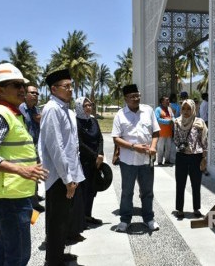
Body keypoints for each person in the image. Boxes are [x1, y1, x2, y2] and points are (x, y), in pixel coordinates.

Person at [0, 63, 48, 266]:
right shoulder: (0, 115)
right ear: (0, 90)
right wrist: (21, 169)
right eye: (16, 85)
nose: (22, 90)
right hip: (9, 199)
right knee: (19, 256)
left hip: (16, 195)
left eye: (23, 85)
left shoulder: (15, 114)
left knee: (9, 252)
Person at [38, 69, 85, 265]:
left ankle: (58, 253)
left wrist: (73, 175)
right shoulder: (52, 109)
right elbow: (55, 146)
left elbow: (71, 144)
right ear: (53, 89)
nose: (70, 90)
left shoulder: (66, 110)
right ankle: (53, 260)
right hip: (58, 177)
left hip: (69, 175)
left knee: (64, 220)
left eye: (71, 86)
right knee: (56, 221)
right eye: (66, 87)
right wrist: (67, 179)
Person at [111, 84, 160, 232]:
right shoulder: (120, 115)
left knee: (147, 191)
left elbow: (156, 132)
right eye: (132, 96)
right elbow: (116, 138)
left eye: (137, 95)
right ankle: (125, 220)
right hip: (128, 161)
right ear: (125, 98)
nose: (136, 98)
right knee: (127, 192)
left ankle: (148, 218)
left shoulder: (148, 111)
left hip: (146, 160)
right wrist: (133, 147)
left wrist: (153, 146)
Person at [173, 99, 208, 219]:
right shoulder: (177, 122)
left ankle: (196, 208)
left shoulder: (200, 122)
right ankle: (180, 209)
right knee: (180, 183)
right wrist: (182, 145)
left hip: (196, 157)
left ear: (193, 109)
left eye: (189, 108)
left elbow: (204, 141)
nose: (186, 111)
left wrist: (204, 156)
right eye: (184, 108)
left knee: (196, 184)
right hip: (181, 156)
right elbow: (175, 139)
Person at [75, 97, 104, 225]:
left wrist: (100, 154)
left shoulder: (93, 120)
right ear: (79, 107)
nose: (88, 107)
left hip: (96, 161)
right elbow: (79, 143)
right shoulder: (76, 122)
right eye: (85, 105)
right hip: (83, 160)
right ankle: (80, 219)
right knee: (83, 190)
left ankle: (88, 215)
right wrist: (95, 155)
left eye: (90, 105)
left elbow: (100, 138)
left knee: (93, 189)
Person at [19, 84, 45, 213]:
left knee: (36, 173)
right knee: (28, 174)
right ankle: (32, 202)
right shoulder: (21, 109)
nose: (35, 95)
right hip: (23, 148)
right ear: (25, 95)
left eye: (37, 93)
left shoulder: (37, 110)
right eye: (32, 93)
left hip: (35, 146)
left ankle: (33, 196)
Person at [154, 96, 174, 165]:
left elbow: (173, 117)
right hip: (161, 133)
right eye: (167, 100)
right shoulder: (158, 109)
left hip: (169, 132)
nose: (168, 102)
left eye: (168, 100)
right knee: (160, 148)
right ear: (162, 102)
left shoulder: (169, 109)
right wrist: (168, 121)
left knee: (168, 147)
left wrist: (174, 121)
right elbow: (157, 119)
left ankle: (167, 160)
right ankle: (159, 161)